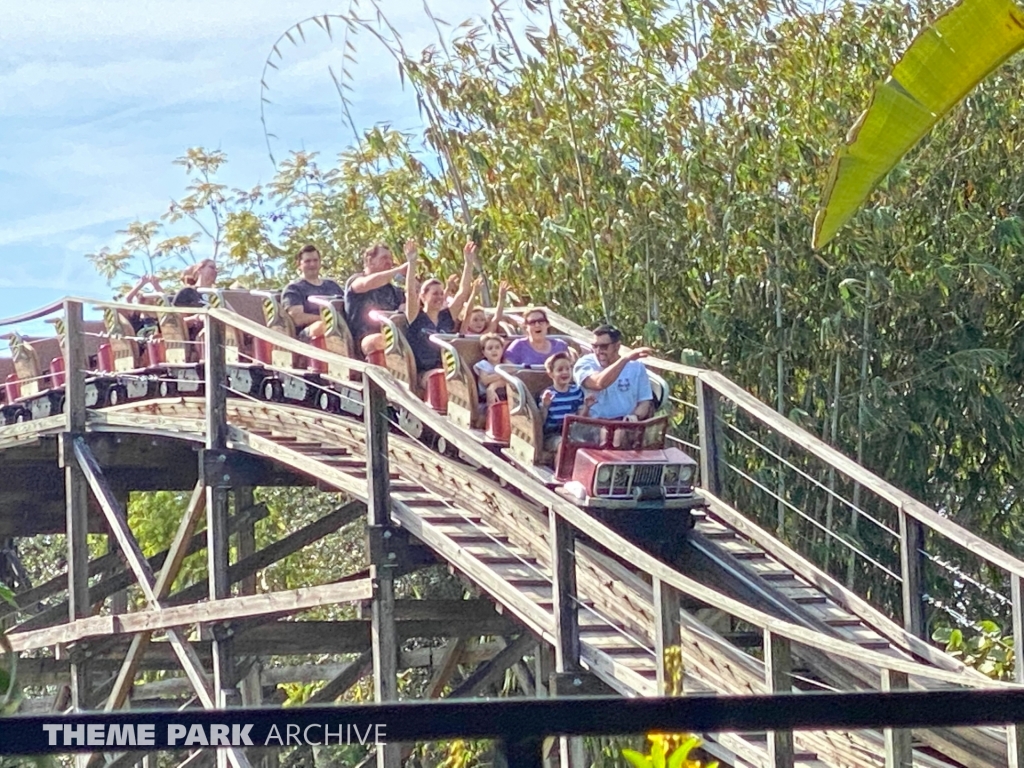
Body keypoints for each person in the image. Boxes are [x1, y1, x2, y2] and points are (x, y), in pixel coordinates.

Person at [405, 240, 477, 391]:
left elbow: (463, 292)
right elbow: (410, 293)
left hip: (448, 369)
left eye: (441, 293)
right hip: (426, 373)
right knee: (442, 377)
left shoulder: (446, 317)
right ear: (423, 297)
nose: (439, 297)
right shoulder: (415, 317)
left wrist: (468, 263)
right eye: (434, 294)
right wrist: (411, 263)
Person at [573, 324, 654, 421]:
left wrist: (634, 417)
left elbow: (644, 401)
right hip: (594, 424)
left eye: (603, 347)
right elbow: (598, 384)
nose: (598, 351)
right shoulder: (585, 363)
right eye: (595, 346)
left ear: (617, 346)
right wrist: (625, 359)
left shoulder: (636, 367)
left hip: (626, 423)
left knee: (620, 433)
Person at [344, 241, 410, 357]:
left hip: (394, 339)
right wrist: (398, 271)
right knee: (380, 341)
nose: (389, 262)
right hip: (364, 341)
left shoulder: (395, 292)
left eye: (390, 258)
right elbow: (366, 283)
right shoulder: (356, 280)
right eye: (384, 258)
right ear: (370, 261)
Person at [282, 244, 344, 340]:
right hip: (308, 336)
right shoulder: (294, 289)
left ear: (320, 263)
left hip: (340, 329)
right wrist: (328, 321)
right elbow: (297, 318)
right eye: (307, 261)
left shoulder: (332, 285)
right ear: (299, 264)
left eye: (315, 260)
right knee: (321, 326)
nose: (312, 264)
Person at [539, 352, 595, 451]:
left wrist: (587, 406)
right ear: (551, 374)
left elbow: (579, 418)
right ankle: (559, 466)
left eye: (568, 369)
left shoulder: (576, 391)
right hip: (553, 433)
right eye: (560, 370)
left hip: (572, 430)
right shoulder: (548, 394)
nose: (565, 372)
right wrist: (545, 406)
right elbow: (541, 421)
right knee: (562, 444)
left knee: (592, 436)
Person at [504, 308, 569, 366]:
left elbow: (570, 368)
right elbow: (508, 369)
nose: (537, 325)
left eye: (541, 321)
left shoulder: (560, 345)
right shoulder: (518, 346)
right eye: (532, 322)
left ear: (547, 324)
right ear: (526, 327)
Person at [473, 332, 507, 405]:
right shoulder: (484, 364)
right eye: (490, 348)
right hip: (485, 398)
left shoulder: (503, 365)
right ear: (484, 352)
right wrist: (503, 375)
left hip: (504, 396)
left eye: (497, 347)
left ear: (502, 350)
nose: (494, 350)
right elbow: (485, 380)